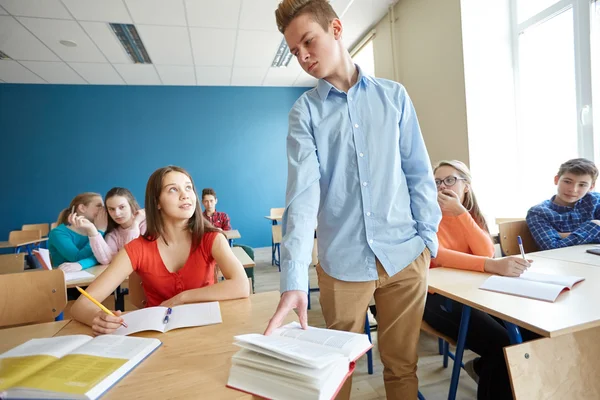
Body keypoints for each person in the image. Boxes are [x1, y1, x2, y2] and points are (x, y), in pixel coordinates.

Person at [265, 1, 442, 398]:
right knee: (336, 372)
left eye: (308, 42)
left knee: (403, 367)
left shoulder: (394, 96)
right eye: (295, 52)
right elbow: (303, 198)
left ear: (337, 29)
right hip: (343, 265)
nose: (304, 57)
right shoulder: (304, 113)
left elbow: (418, 172)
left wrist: (427, 239)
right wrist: (292, 279)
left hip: (405, 257)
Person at [70, 166, 249, 335]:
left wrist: (182, 298)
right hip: (157, 338)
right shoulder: (137, 249)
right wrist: (98, 318)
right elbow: (81, 306)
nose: (185, 195)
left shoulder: (212, 238)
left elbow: (241, 286)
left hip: (206, 331)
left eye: (188, 188)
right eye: (173, 189)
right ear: (157, 202)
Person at [423, 160, 535, 400]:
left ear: (466, 186)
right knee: (502, 345)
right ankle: (490, 371)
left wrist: (461, 215)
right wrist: (488, 265)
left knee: (530, 333)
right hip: (433, 296)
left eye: (450, 180)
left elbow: (486, 253)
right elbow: (438, 256)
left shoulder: (471, 215)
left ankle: (485, 370)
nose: (443, 187)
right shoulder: (426, 214)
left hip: (474, 291)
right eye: (437, 182)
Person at [527, 158, 600, 250]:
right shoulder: (538, 212)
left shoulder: (596, 200)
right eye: (567, 182)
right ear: (556, 180)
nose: (573, 190)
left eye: (582, 185)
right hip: (560, 262)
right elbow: (552, 247)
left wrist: (561, 235)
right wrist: (594, 225)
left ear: (591, 187)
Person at [48, 192, 107, 271]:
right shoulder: (57, 233)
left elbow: (104, 256)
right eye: (99, 206)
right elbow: (77, 258)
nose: (103, 210)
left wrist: (82, 264)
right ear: (82, 208)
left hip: (94, 273)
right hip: (67, 279)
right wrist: (99, 232)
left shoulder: (98, 229)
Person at [87, 187, 146, 265]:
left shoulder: (147, 225)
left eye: (122, 207)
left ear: (131, 205)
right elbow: (106, 260)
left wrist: (135, 224)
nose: (117, 214)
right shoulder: (113, 234)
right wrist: (93, 232)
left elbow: (133, 256)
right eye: (111, 209)